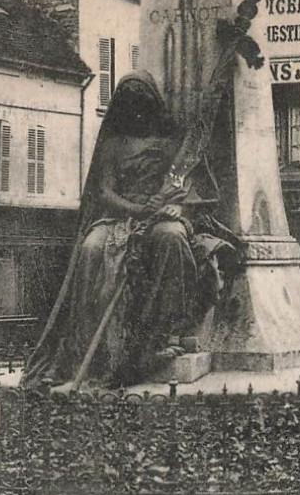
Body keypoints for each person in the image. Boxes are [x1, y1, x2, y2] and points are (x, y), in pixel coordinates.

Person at [21, 72, 233, 391]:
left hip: (163, 216)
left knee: (172, 238)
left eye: (142, 102)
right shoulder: (113, 144)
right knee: (92, 248)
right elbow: (104, 191)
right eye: (130, 102)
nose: (137, 109)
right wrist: (134, 210)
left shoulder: (171, 141)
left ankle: (164, 332)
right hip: (120, 216)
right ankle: (89, 343)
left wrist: (179, 208)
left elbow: (188, 184)